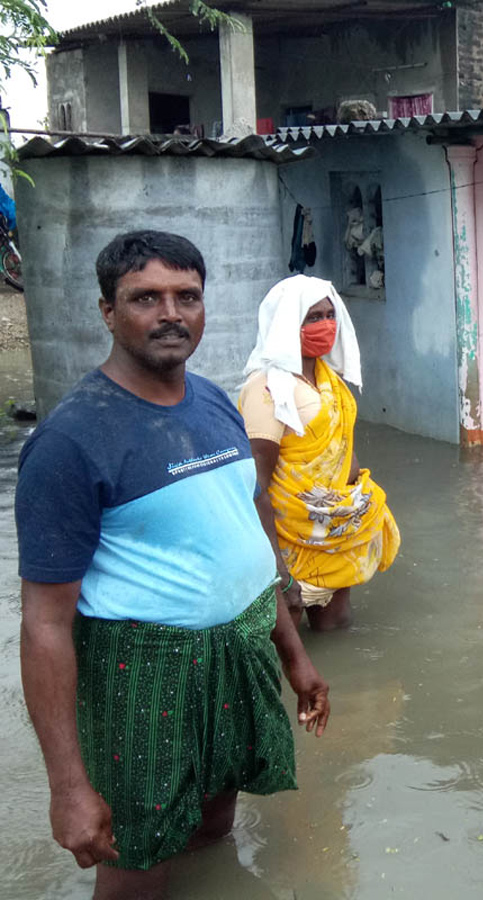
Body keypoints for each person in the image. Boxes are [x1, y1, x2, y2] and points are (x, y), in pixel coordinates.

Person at [15, 231, 330, 899]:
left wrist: (294, 655)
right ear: (107, 311)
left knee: (215, 823)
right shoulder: (70, 442)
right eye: (145, 298)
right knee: (135, 858)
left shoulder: (215, 402)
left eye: (187, 296)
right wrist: (69, 787)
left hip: (237, 646)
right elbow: (44, 626)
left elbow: (241, 538)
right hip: (140, 671)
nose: (171, 314)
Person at [239, 274, 399, 632]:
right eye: (313, 317)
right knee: (286, 634)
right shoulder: (268, 390)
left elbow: (340, 448)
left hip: (333, 527)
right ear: (286, 323)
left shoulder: (329, 380)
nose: (325, 325)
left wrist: (354, 500)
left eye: (330, 315)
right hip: (290, 540)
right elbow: (254, 485)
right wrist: (277, 568)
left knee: (337, 626)